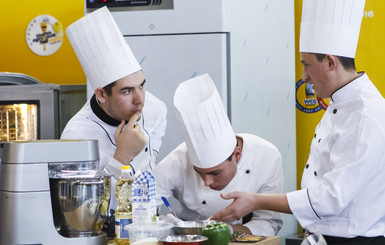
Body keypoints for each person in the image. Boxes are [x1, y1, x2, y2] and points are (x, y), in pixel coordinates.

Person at [212, 0, 385, 244]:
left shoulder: (365, 114)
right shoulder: (341, 103)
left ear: (330, 62)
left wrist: (256, 200)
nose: (304, 76)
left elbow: (330, 199)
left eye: (306, 65)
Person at [61, 7, 167, 211]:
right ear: (101, 94)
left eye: (142, 86)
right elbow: (81, 209)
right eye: (126, 91)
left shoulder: (155, 109)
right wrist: (122, 156)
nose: (140, 100)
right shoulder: (76, 136)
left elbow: (150, 166)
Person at [151, 73, 284, 236]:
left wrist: (227, 231)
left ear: (236, 154)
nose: (207, 182)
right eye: (199, 173)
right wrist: (164, 225)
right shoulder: (179, 159)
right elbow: (143, 201)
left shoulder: (267, 157)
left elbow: (268, 222)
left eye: (215, 172)